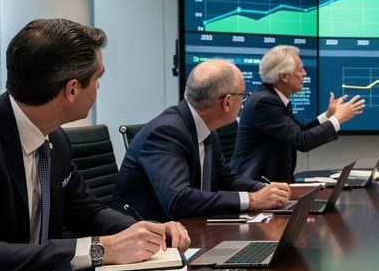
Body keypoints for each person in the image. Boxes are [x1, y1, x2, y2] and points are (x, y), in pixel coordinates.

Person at [0, 18, 190, 271]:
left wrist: (146, 231)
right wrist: (101, 250)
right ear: (72, 90)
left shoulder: (55, 140)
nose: (98, 88)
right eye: (97, 79)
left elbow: (87, 212)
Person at [114, 59, 291, 220]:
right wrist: (252, 200)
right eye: (242, 97)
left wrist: (263, 190)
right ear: (228, 102)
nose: (243, 103)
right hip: (149, 240)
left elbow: (225, 179)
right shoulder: (166, 132)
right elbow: (178, 200)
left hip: (191, 227)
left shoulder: (206, 129)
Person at [230, 45, 365, 181]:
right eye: (300, 69)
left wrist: (328, 115)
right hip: (254, 186)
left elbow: (299, 131)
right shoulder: (265, 102)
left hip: (273, 184)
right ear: (284, 76)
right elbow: (302, 141)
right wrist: (337, 119)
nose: (305, 73)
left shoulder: (274, 97)